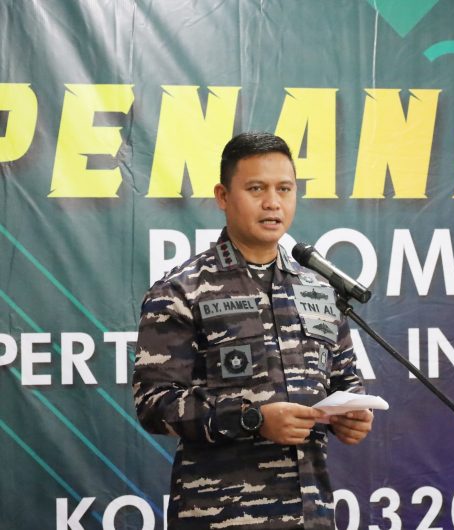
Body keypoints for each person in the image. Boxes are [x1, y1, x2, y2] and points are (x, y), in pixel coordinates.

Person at [133, 132, 373, 529]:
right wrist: (252, 418)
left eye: (284, 189)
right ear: (223, 197)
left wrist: (353, 415)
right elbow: (154, 405)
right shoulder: (181, 291)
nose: (273, 202)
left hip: (311, 514)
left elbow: (344, 381)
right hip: (220, 517)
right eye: (256, 189)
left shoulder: (317, 288)